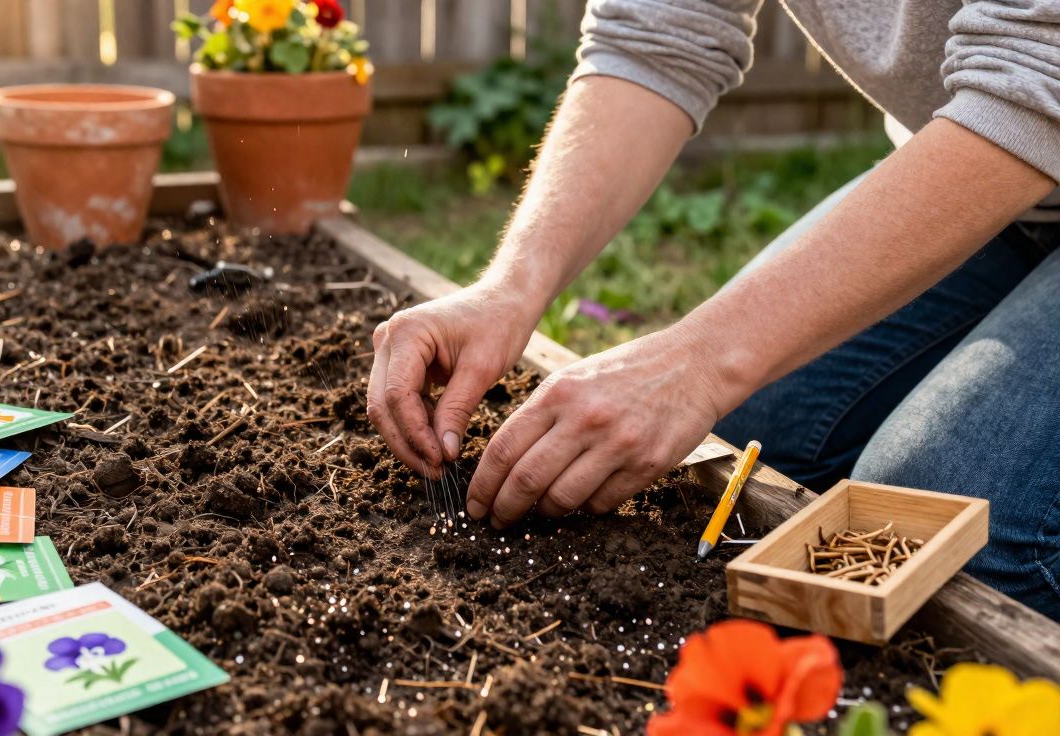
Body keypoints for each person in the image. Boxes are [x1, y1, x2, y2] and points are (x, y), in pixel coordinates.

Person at [365, 0, 1060, 620]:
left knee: (956, 523)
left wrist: (696, 362)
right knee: (754, 433)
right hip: (994, 172)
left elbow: (1037, 80)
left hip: (1021, 132)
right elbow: (657, 35)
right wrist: (510, 288)